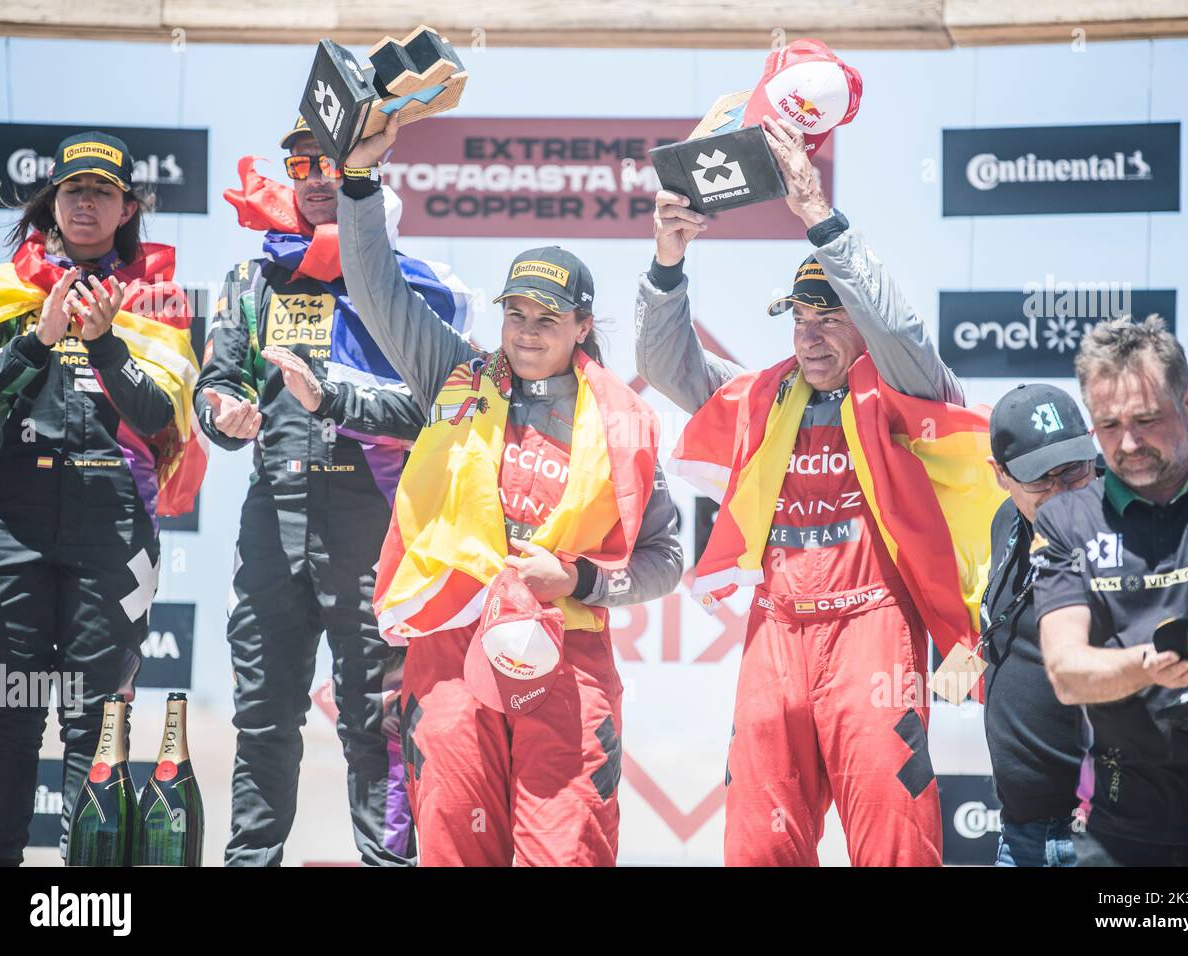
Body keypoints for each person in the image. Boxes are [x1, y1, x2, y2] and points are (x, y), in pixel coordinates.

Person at [639, 116, 1004, 866]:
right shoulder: (763, 397)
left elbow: (901, 326)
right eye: (800, 319)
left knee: (894, 840)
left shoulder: (904, 388)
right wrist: (669, 261)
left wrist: (818, 216)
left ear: (861, 327)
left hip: (874, 632)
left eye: (830, 317)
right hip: (776, 633)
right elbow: (668, 364)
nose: (809, 336)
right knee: (755, 842)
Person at [336, 118, 684, 867]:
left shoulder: (624, 423)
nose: (526, 332)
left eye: (548, 318)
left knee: (567, 851)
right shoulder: (455, 377)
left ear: (583, 325)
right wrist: (360, 186)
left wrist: (582, 578)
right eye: (515, 313)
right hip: (454, 647)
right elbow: (377, 292)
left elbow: (665, 558)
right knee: (456, 847)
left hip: (567, 654)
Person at [195, 117, 468, 866]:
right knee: (263, 719)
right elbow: (216, 384)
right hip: (273, 522)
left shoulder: (409, 285)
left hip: (373, 525)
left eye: (331, 163)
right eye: (302, 164)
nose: (316, 177)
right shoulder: (255, 279)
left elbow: (437, 411)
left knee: (376, 723)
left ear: (367, 176)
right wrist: (222, 414)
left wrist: (334, 403)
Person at [0, 131, 203, 863]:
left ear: (126, 207)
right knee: (3, 714)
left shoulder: (157, 299)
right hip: (8, 520)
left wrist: (107, 344)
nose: (85, 202)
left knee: (96, 722)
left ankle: (89, 900)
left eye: (102, 191)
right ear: (52, 201)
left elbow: (162, 419)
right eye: (74, 189)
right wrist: (33, 343)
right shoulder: (2, 293)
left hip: (112, 522)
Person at [1035, 315, 1188, 866]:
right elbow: (1066, 671)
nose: (1128, 443)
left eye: (1147, 419)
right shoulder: (1066, 523)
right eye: (1108, 425)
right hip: (1121, 836)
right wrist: (1152, 663)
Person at [982, 383, 1098, 867]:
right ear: (1001, 476)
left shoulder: (1138, 522)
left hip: (1107, 835)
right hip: (1020, 835)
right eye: (1039, 480)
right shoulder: (1004, 521)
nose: (1060, 491)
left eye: (1072, 470)